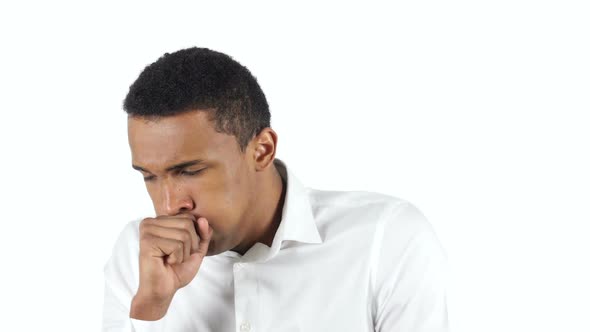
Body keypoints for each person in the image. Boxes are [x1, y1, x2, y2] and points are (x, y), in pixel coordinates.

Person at [102, 47, 449, 332]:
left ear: (262, 150)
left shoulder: (385, 241)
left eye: (190, 170)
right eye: (149, 176)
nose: (169, 204)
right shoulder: (137, 254)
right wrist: (151, 306)